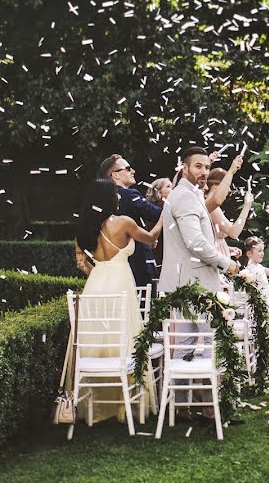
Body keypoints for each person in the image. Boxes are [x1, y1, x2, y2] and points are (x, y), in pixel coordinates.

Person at [158, 147, 240, 421]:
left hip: (193, 282)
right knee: (195, 343)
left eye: (206, 167)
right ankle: (190, 408)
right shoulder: (183, 197)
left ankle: (197, 406)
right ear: (185, 168)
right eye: (198, 167)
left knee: (199, 343)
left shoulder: (191, 194)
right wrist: (225, 263)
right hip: (190, 284)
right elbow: (195, 243)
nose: (204, 172)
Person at [74, 178, 162, 422]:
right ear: (109, 197)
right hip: (121, 284)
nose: (119, 197)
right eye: (115, 193)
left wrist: (100, 274)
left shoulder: (84, 228)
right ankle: (124, 404)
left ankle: (99, 405)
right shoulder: (124, 222)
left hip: (95, 286)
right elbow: (151, 237)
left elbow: (81, 262)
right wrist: (167, 212)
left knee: (98, 343)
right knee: (123, 340)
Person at [99, 154, 162, 292]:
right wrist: (169, 206)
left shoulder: (102, 199)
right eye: (128, 169)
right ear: (115, 175)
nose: (132, 171)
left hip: (113, 265)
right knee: (144, 308)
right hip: (138, 262)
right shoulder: (129, 195)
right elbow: (156, 214)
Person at [205, 167, 253, 263]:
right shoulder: (213, 209)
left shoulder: (207, 203)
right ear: (215, 186)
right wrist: (247, 206)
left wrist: (228, 248)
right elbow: (234, 233)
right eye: (227, 185)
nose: (229, 190)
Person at [144, 177, 171, 271]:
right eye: (168, 186)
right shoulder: (156, 211)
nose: (173, 189)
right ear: (158, 192)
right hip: (160, 256)